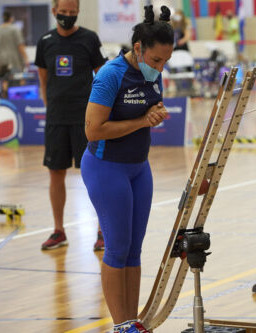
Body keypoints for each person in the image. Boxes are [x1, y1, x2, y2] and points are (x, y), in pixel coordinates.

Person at [80, 5, 173, 333]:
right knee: (117, 249)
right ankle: (120, 325)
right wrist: (140, 121)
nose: (161, 67)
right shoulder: (110, 74)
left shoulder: (155, 70)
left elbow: (147, 108)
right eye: (156, 60)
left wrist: (156, 113)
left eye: (166, 61)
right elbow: (93, 131)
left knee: (134, 250)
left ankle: (132, 322)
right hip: (107, 169)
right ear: (138, 49)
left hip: (138, 169)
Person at [35, 0, 107, 251]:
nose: (67, 16)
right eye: (62, 12)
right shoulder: (44, 41)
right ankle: (58, 231)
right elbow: (43, 81)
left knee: (94, 174)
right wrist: (50, 107)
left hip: (85, 120)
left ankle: (102, 231)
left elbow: (104, 75)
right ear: (54, 11)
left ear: (78, 12)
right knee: (56, 173)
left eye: (72, 12)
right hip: (56, 119)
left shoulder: (89, 39)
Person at [0, 11, 30, 97]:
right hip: (14, 62)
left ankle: (4, 101)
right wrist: (26, 58)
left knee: (4, 83)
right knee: (16, 87)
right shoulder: (15, 29)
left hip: (1, 62)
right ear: (11, 18)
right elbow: (20, 45)